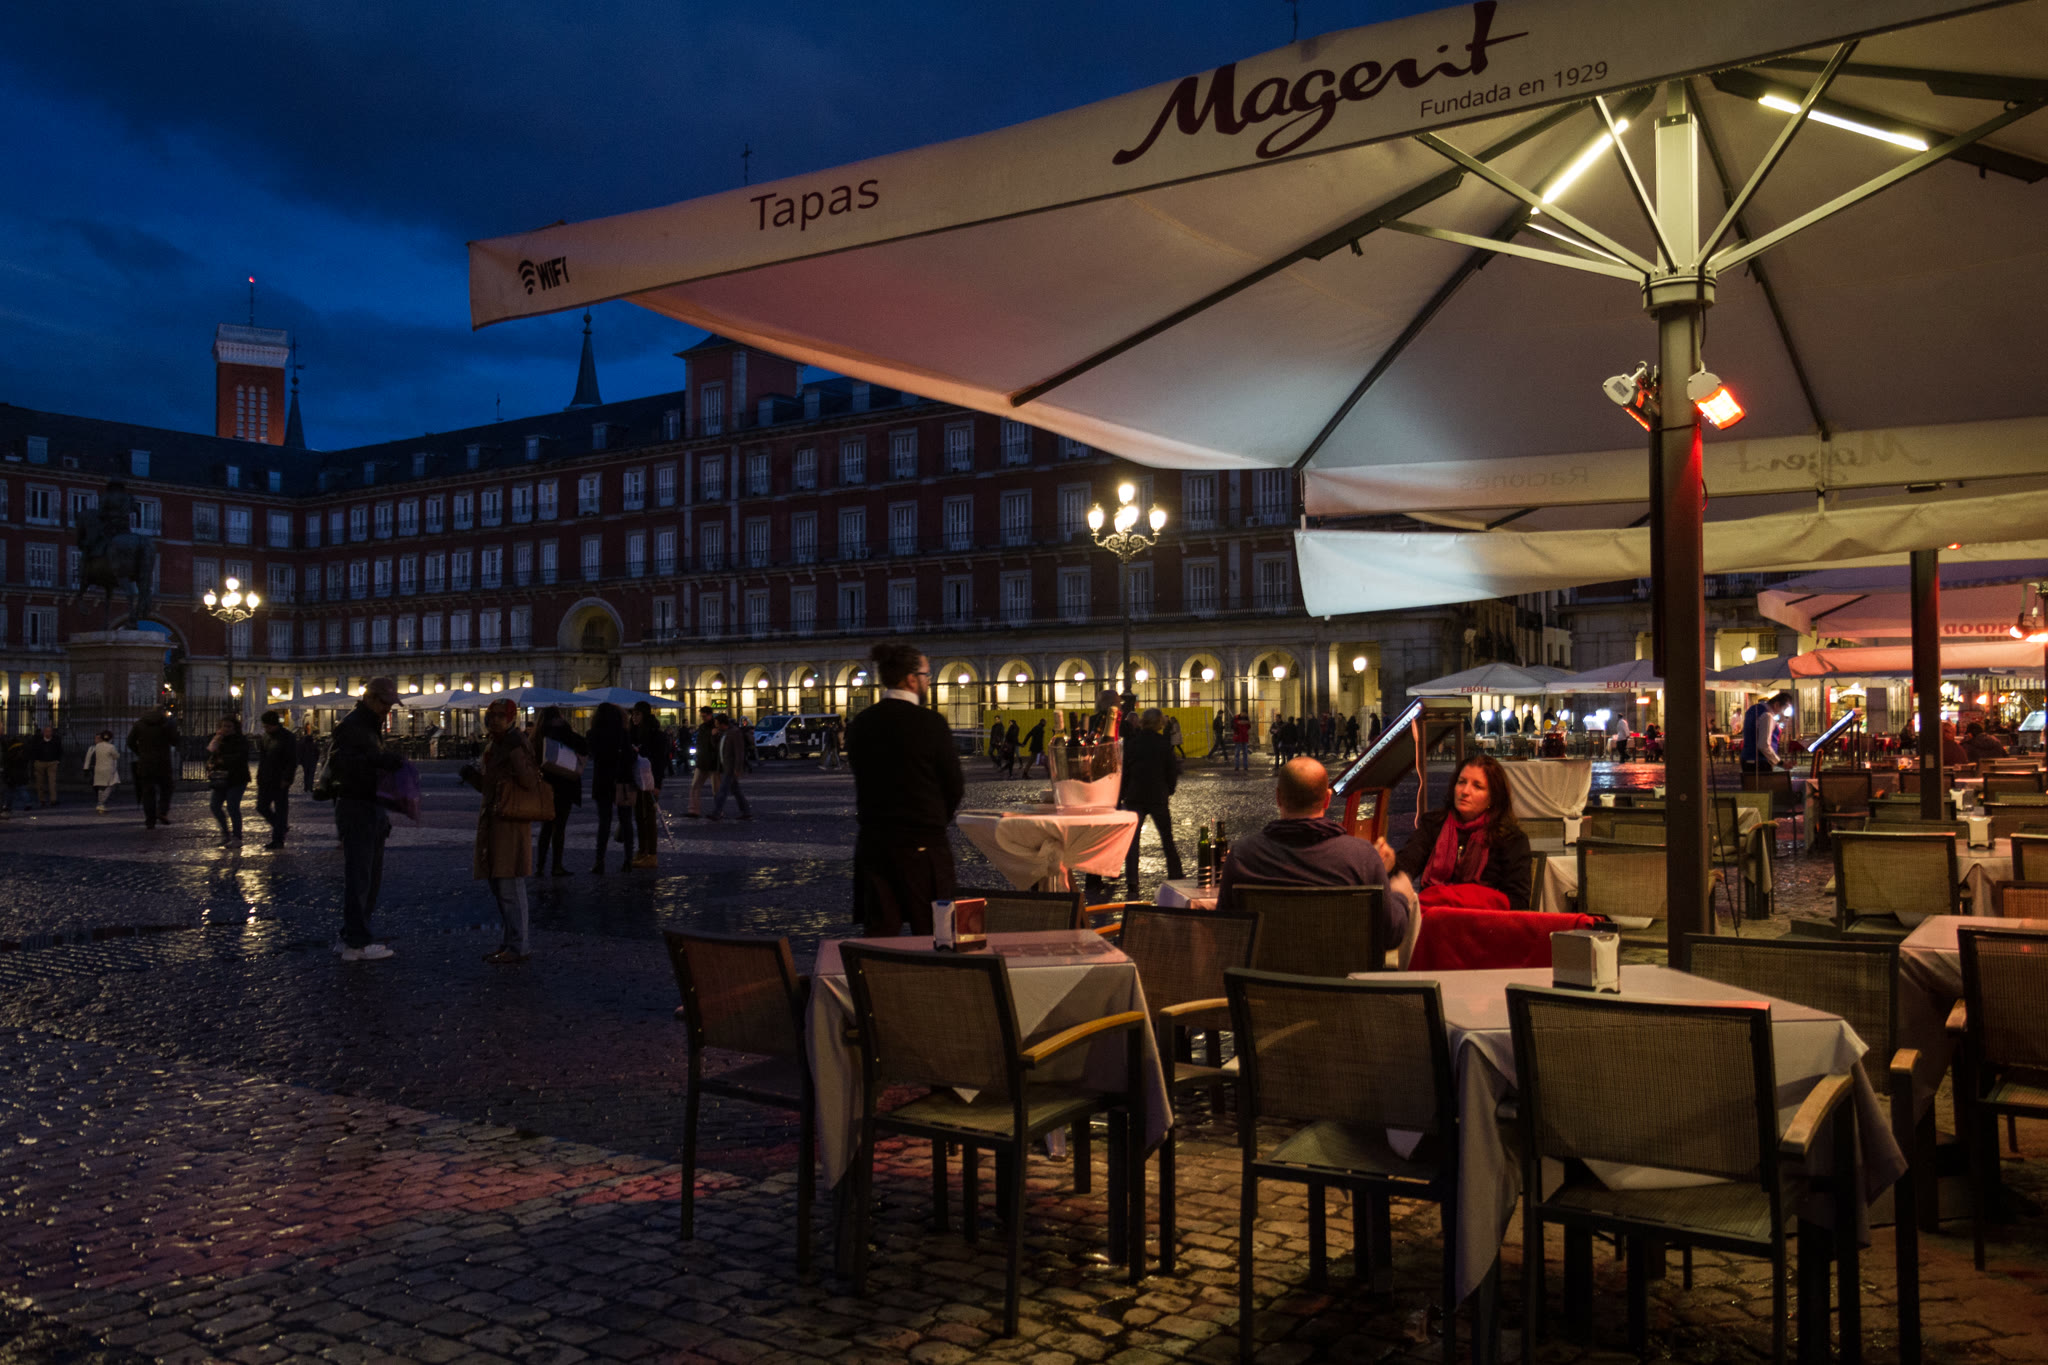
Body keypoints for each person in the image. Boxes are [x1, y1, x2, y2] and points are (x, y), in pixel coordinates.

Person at [1217, 757, 1415, 951]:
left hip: (1261, 973)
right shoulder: (1362, 858)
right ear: (1327, 799)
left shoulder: (1242, 856)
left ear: (1278, 797)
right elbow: (1390, 935)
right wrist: (1400, 895)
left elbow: (1224, 931)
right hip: (1341, 973)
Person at [847, 640, 964, 936]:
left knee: (880, 934)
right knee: (934, 934)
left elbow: (860, 774)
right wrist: (935, 819)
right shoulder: (930, 723)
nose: (928, 681)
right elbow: (953, 785)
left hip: (874, 843)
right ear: (911, 679)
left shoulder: (861, 723)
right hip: (922, 843)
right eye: (926, 675)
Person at [1385, 753, 1533, 910]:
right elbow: (1404, 870)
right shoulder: (1434, 825)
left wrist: (1460, 898)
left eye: (1477, 786)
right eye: (1461, 782)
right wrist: (1388, 864)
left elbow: (1518, 902)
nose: (1465, 791)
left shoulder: (1511, 839)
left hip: (1481, 921)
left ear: (1493, 797)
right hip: (1433, 918)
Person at [330, 677, 405, 961]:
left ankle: (349, 936)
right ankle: (356, 944)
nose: (388, 709)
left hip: (366, 804)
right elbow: (344, 765)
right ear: (370, 698)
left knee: (365, 876)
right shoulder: (354, 726)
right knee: (363, 878)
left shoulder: (365, 724)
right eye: (385, 703)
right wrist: (380, 761)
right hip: (359, 805)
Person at [468, 697, 542, 964]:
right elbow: (490, 784)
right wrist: (474, 777)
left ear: (512, 718)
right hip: (495, 817)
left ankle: (519, 945)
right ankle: (511, 941)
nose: (495, 720)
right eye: (492, 716)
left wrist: (510, 764)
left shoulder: (514, 744)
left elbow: (527, 782)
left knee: (509, 882)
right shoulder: (496, 743)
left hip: (509, 820)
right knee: (499, 883)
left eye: (501, 716)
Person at [1120, 708, 1184, 895]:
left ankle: (1132, 880)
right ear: (1159, 723)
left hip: (1135, 796)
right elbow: (1171, 770)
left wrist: (1123, 793)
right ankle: (1175, 874)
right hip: (1157, 796)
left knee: (1133, 842)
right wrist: (1169, 790)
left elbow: (1125, 771)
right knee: (1167, 838)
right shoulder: (1163, 743)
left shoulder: (1133, 742)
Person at [532, 706, 586, 875]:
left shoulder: (538, 736)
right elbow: (584, 746)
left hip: (545, 785)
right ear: (559, 717)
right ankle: (557, 866)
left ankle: (540, 867)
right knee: (559, 827)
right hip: (564, 784)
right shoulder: (564, 732)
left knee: (546, 828)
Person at [586, 702, 637, 871]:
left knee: (604, 822)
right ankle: (628, 860)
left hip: (602, 780)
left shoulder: (593, 734)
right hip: (622, 780)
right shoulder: (623, 733)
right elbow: (629, 757)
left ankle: (599, 861)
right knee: (626, 821)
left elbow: (591, 754)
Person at [629, 701, 671, 867]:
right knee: (639, 816)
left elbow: (660, 761)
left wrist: (657, 784)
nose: (634, 717)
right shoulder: (633, 732)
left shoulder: (656, 734)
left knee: (649, 817)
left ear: (644, 715)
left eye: (637, 714)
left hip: (650, 780)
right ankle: (642, 850)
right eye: (633, 714)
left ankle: (652, 854)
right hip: (636, 779)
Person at [126, 706, 180, 829]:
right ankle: (162, 811)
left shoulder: (139, 724)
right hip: (163, 762)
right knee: (167, 788)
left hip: (145, 762)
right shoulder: (166, 724)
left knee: (147, 792)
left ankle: (150, 820)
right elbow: (175, 741)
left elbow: (130, 742)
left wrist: (140, 752)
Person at [205, 716, 252, 846]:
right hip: (220, 778)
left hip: (237, 778)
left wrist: (223, 760)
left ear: (235, 728)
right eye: (223, 726)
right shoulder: (217, 739)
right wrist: (216, 741)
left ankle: (237, 837)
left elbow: (241, 757)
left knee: (232, 806)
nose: (226, 729)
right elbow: (209, 753)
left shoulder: (240, 740)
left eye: (229, 726)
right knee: (215, 805)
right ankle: (225, 833)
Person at [255, 710, 297, 849]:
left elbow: (292, 760)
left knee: (281, 809)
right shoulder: (265, 737)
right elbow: (263, 758)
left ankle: (278, 839)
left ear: (275, 724)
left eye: (268, 726)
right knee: (261, 807)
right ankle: (280, 827)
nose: (266, 729)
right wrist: (259, 775)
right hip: (266, 777)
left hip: (280, 778)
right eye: (265, 726)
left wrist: (287, 778)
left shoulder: (287, 737)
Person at [710, 713, 753, 820]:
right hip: (725, 766)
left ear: (722, 723)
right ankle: (746, 811)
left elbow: (739, 752)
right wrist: (714, 736)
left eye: (716, 723)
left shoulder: (734, 733)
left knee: (723, 791)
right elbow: (717, 747)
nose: (715, 725)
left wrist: (738, 768)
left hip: (731, 766)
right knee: (736, 791)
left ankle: (716, 812)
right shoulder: (723, 733)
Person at [1741, 691, 1791, 774]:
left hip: (1747, 758)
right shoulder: (1767, 716)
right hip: (1760, 762)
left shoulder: (1753, 710)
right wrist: (1780, 762)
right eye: (1783, 709)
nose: (1781, 713)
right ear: (1776, 705)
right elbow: (1764, 745)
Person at [685, 705, 720, 816]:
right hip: (703, 761)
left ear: (710, 715)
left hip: (712, 762)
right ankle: (693, 810)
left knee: (716, 789)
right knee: (695, 786)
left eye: (704, 716)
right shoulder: (703, 727)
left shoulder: (715, 727)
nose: (703, 718)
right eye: (702, 716)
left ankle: (718, 811)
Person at [83, 730, 120, 812]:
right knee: (110, 785)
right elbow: (116, 756)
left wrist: (85, 768)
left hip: (98, 769)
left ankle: (100, 801)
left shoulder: (96, 747)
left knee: (101, 786)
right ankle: (101, 802)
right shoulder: (111, 747)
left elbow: (87, 758)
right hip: (108, 769)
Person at [1, 735, 33, 819]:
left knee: (10, 791)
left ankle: (7, 805)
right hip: (21, 773)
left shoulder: (10, 751)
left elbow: (7, 763)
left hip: (12, 773)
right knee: (22, 789)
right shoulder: (23, 749)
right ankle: (27, 803)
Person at [29, 724, 61, 807]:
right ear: (43, 732)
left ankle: (53, 799)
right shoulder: (38, 740)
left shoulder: (56, 740)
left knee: (52, 782)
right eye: (46, 731)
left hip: (52, 762)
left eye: (49, 731)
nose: (48, 733)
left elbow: (60, 750)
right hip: (40, 762)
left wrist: (58, 760)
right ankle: (42, 799)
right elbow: (33, 750)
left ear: (52, 732)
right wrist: (35, 760)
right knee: (40, 782)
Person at [297, 720, 321, 793]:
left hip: (305, 761)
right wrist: (316, 759)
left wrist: (301, 760)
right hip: (312, 761)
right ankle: (310, 787)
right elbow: (317, 752)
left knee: (306, 774)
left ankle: (306, 787)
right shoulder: (313, 745)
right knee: (311, 774)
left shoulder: (303, 745)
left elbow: (300, 753)